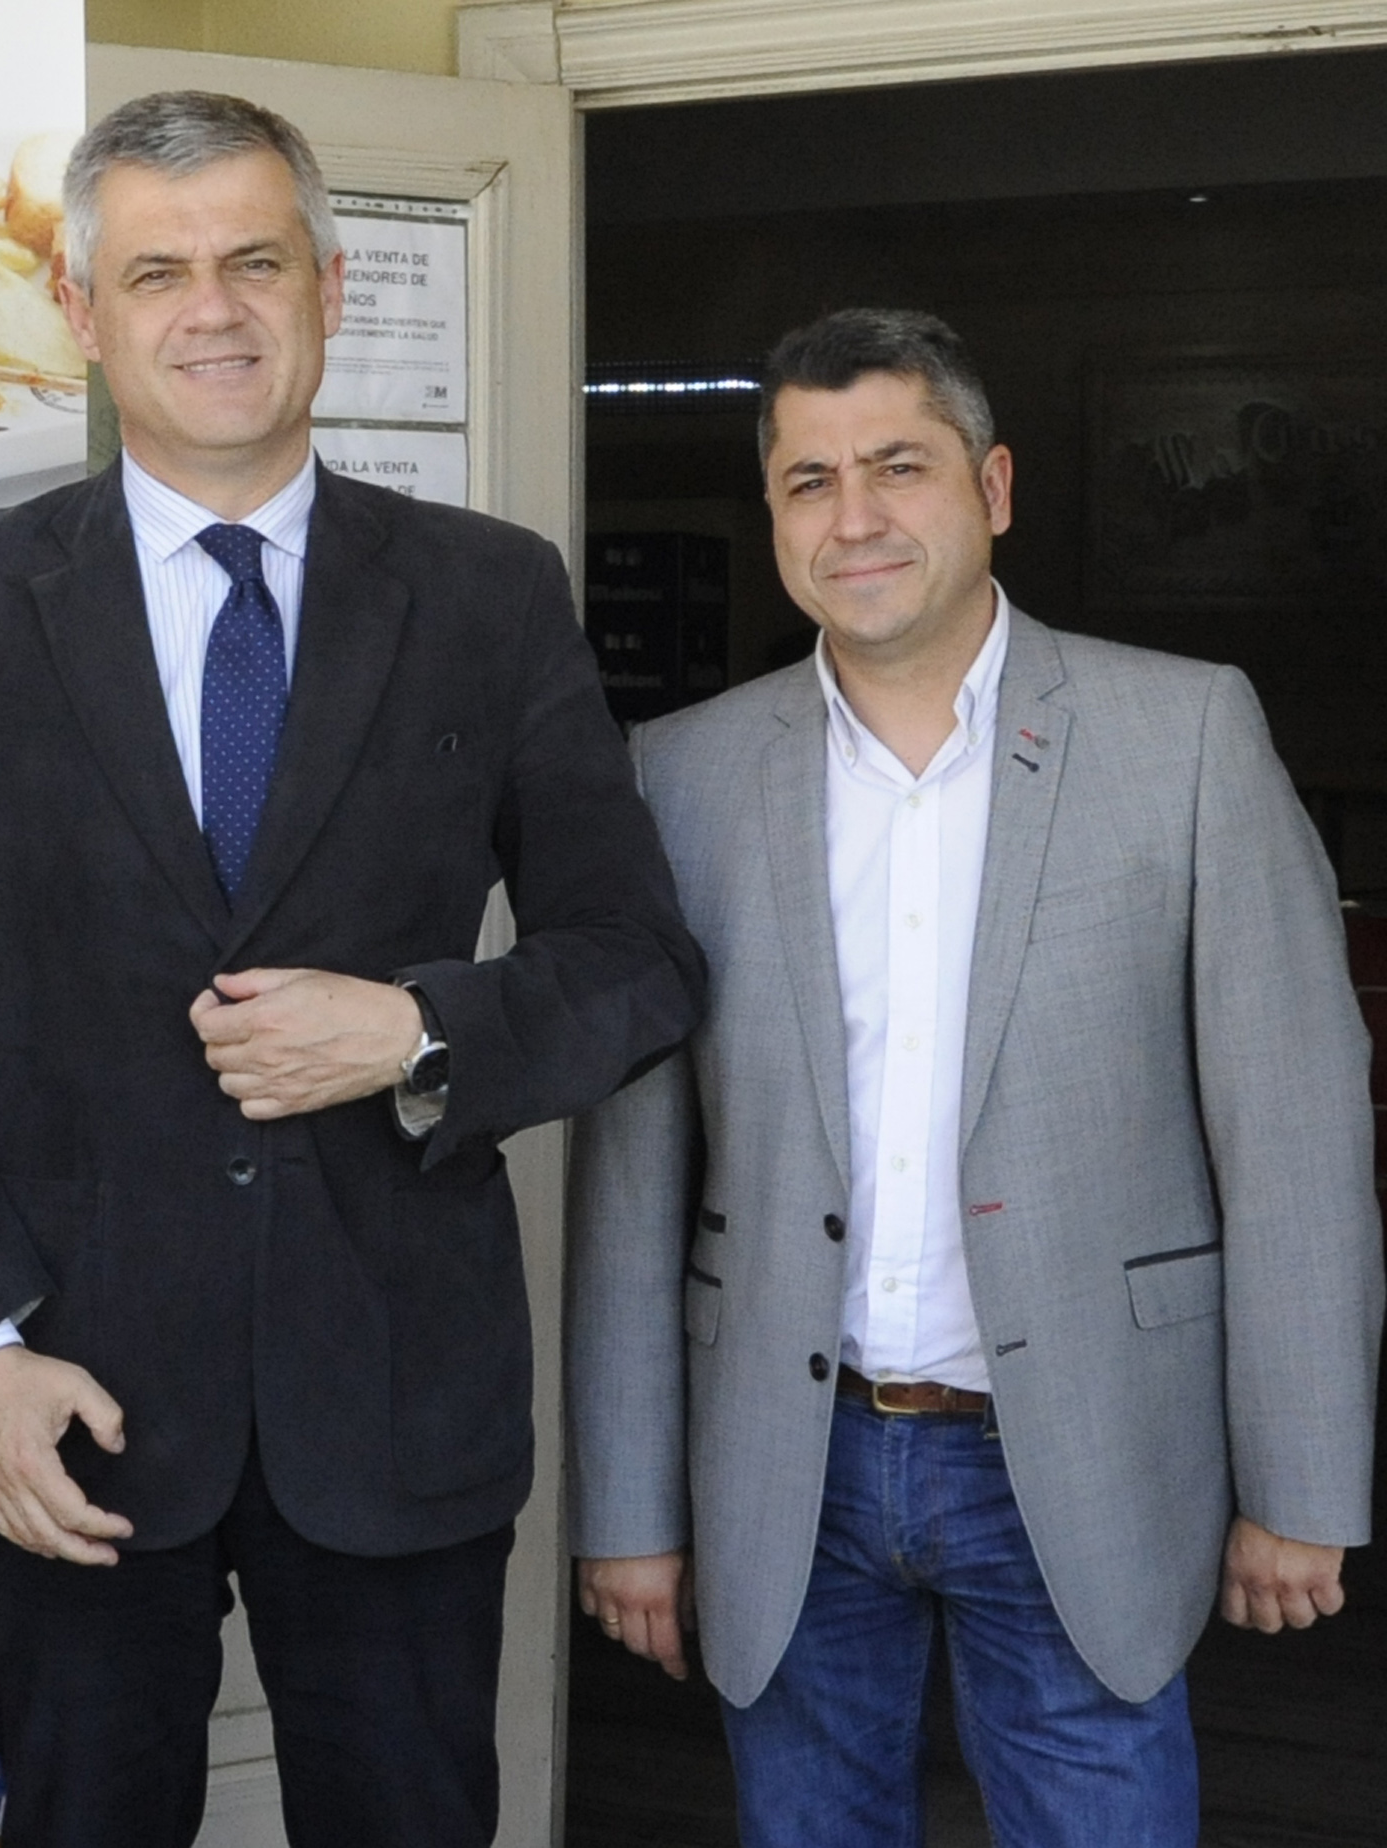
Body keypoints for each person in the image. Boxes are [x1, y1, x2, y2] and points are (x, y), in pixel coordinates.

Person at [0, 90, 704, 1848]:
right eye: (158, 273)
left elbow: (637, 963)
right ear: (82, 312)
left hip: (397, 1400)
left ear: (330, 286)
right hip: (70, 1403)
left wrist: (418, 1029)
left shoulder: (488, 594)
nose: (211, 310)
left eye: (254, 263)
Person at [566, 308, 1385, 1847]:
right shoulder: (680, 775)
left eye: (899, 466)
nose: (854, 517)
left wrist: (1303, 1480)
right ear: (774, 517)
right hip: (788, 1459)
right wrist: (625, 1505)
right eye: (809, 481)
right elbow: (630, 1175)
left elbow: (1293, 1130)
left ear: (993, 487)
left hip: (1082, 1441)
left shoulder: (1185, 733)